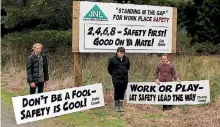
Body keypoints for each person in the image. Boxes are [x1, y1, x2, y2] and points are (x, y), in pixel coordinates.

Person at [108, 47, 130, 112]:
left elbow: (128, 67)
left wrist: (124, 73)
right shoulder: (112, 59)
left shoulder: (127, 59)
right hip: (116, 78)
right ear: (117, 52)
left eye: (123, 53)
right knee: (117, 91)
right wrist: (114, 74)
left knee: (122, 91)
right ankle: (116, 106)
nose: (121, 54)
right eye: (120, 53)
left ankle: (121, 106)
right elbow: (109, 69)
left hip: (125, 78)